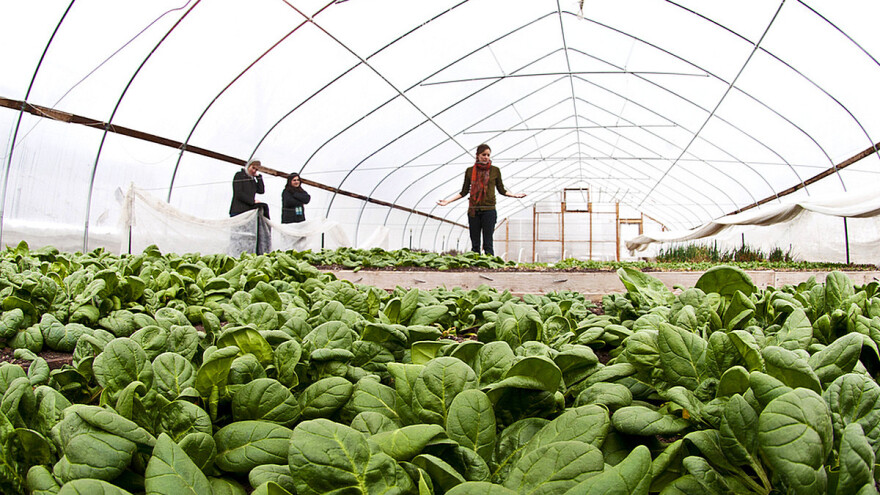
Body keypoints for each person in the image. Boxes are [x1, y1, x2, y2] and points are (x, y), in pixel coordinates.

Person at [437, 143, 525, 256]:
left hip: (489, 210)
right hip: (474, 211)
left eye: (488, 155)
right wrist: (448, 201)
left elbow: (501, 190)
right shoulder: (470, 171)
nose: (486, 157)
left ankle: (489, 265)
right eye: (484, 154)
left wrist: (514, 195)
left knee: (488, 242)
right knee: (475, 244)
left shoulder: (495, 170)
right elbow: (464, 192)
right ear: (477, 155)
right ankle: (475, 266)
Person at [229, 159, 271, 254]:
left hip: (248, 212)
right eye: (253, 168)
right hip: (239, 211)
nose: (254, 171)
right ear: (248, 166)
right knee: (238, 236)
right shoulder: (239, 175)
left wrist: (259, 177)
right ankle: (235, 254)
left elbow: (261, 190)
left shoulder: (252, 179)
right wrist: (252, 201)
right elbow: (238, 193)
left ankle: (246, 254)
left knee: (247, 237)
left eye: (256, 169)